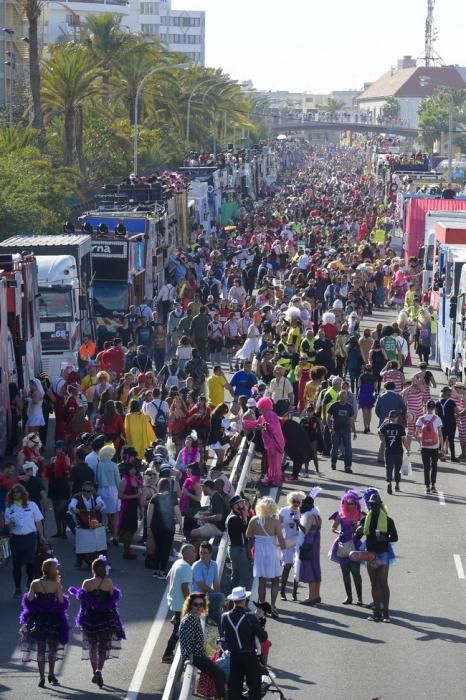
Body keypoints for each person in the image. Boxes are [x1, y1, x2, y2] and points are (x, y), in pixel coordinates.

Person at [69, 555, 126, 688]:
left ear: (93, 569)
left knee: (92, 646)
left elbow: (82, 600)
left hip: (90, 618)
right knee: (103, 647)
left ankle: (94, 671)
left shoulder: (86, 582)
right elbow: (113, 599)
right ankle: (99, 671)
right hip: (106, 617)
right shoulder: (108, 582)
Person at [19, 558, 69, 688]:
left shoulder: (35, 583)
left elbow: (29, 599)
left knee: (40, 649)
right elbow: (61, 601)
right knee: (52, 648)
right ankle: (51, 675)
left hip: (38, 619)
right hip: (53, 618)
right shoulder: (56, 584)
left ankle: (41, 678)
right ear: (53, 570)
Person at [356, 491, 398, 622]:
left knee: (383, 583)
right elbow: (358, 536)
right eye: (371, 505)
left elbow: (395, 538)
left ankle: (386, 613)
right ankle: (377, 613)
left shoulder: (388, 521)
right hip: (370, 555)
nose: (373, 507)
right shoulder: (365, 519)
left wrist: (384, 538)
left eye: (375, 505)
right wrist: (358, 531)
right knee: (374, 583)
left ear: (380, 505)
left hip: (383, 554)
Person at [222, 586, 267, 700]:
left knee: (235, 688)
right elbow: (263, 637)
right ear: (244, 600)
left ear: (233, 601)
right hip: (249, 655)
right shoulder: (250, 617)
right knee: (254, 687)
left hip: (235, 656)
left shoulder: (225, 617)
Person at [179, 593, 227, 699]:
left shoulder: (193, 617)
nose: (199, 607)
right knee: (220, 674)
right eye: (196, 604)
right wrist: (190, 657)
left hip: (198, 655)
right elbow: (188, 640)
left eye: (201, 605)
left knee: (218, 673)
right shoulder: (191, 619)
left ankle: (219, 697)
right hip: (195, 656)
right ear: (190, 605)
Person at [245, 497, 285, 618]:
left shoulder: (253, 520)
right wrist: (284, 550)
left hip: (260, 552)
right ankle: (272, 606)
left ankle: (262, 607)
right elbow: (281, 538)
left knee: (262, 581)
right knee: (275, 580)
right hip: (272, 552)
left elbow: (248, 535)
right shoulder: (275, 522)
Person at [4, 484, 45, 598]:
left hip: (30, 538)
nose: (16, 494)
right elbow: (7, 528)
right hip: (16, 539)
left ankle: (29, 585)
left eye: (18, 492)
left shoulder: (32, 505)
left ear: (23, 493)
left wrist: (41, 536)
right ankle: (17, 588)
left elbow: (38, 522)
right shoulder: (9, 509)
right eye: (14, 492)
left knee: (30, 563)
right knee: (16, 565)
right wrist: (9, 526)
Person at [161, 543, 197, 664]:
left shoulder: (177, 563)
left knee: (179, 628)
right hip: (181, 604)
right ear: (187, 553)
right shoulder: (186, 567)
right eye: (194, 552)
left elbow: (168, 578)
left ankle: (170, 653)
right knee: (177, 631)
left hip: (174, 601)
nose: (195, 554)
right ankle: (167, 654)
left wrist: (173, 590)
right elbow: (184, 588)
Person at [328, 490, 363, 605]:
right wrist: (338, 532)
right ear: (344, 503)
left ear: (356, 503)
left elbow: (366, 528)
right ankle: (349, 597)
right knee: (345, 573)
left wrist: (358, 528)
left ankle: (360, 598)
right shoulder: (340, 515)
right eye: (347, 502)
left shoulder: (360, 515)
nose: (350, 505)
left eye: (352, 503)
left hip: (355, 545)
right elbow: (333, 528)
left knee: (356, 572)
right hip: (342, 545)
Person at [243, 396, 285, 487]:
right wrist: (245, 422)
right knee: (272, 464)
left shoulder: (270, 415)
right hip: (270, 445)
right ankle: (272, 480)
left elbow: (274, 429)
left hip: (274, 444)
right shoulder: (264, 416)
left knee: (275, 464)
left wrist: (263, 426)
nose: (258, 409)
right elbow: (257, 422)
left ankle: (276, 481)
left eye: (259, 408)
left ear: (264, 407)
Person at [191, 541, 225, 635]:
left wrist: (216, 594)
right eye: (201, 552)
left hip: (207, 595)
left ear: (211, 554)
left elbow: (216, 583)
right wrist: (217, 595)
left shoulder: (214, 565)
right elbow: (201, 585)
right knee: (219, 599)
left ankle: (218, 635)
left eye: (205, 553)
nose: (202, 555)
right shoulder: (196, 566)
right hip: (197, 596)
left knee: (217, 606)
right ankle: (219, 635)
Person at [279, 491, 305, 601]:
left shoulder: (303, 513)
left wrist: (298, 522)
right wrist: (289, 520)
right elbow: (278, 526)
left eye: (298, 502)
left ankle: (294, 593)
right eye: (294, 501)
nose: (295, 504)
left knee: (297, 568)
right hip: (287, 541)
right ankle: (283, 592)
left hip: (298, 542)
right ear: (290, 501)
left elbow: (305, 529)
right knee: (287, 566)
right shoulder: (283, 511)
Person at [296, 493, 322, 606]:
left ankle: (311, 597)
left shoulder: (309, 517)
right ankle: (316, 595)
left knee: (310, 569)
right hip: (315, 545)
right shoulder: (317, 517)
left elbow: (305, 531)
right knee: (316, 568)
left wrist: (297, 522)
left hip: (308, 545)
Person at [415, 399, 444, 494]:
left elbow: (417, 434)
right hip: (435, 446)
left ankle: (427, 486)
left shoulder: (421, 419)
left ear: (426, 407)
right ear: (434, 408)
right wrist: (442, 447)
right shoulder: (437, 418)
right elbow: (440, 434)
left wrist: (420, 443)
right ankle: (433, 485)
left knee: (426, 467)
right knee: (434, 466)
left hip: (424, 446)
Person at [95, 445, 121, 546]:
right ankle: (114, 536)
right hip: (113, 490)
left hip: (101, 490)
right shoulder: (114, 465)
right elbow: (118, 480)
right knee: (114, 514)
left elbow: (96, 479)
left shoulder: (99, 465)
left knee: (103, 516)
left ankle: (104, 538)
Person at [379, 410, 409, 494]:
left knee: (389, 467)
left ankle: (389, 482)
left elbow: (380, 432)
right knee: (397, 468)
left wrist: (383, 441)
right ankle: (397, 484)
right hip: (398, 450)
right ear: (397, 418)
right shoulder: (400, 427)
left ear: (389, 418)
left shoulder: (386, 426)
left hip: (388, 450)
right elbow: (404, 439)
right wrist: (407, 449)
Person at [327, 389, 357, 473]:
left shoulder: (349, 407)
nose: (343, 399)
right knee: (335, 448)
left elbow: (351, 420)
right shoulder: (334, 405)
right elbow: (328, 417)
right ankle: (333, 462)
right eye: (341, 397)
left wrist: (354, 432)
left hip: (346, 430)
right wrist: (330, 428)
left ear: (347, 397)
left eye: (345, 397)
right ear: (339, 397)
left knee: (348, 449)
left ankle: (347, 466)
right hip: (336, 430)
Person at [226, 495, 251, 589]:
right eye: (241, 503)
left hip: (235, 549)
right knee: (245, 576)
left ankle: (232, 598)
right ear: (235, 505)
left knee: (235, 576)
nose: (243, 504)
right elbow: (247, 532)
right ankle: (242, 599)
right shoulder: (234, 519)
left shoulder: (235, 517)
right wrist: (245, 515)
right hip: (237, 550)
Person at [117, 461, 142, 560]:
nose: (133, 471)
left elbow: (139, 496)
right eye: (131, 469)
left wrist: (140, 509)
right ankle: (126, 551)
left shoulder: (136, 479)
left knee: (132, 530)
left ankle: (128, 550)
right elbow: (120, 495)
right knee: (128, 530)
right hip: (127, 508)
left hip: (134, 507)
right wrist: (134, 496)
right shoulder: (124, 480)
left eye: (134, 468)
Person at [436, 387, 459, 462]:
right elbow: (456, 411)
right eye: (450, 391)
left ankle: (439, 456)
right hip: (451, 423)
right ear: (446, 392)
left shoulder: (438, 402)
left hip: (441, 424)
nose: (451, 392)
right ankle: (453, 457)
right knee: (451, 439)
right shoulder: (451, 402)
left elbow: (436, 413)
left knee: (441, 440)